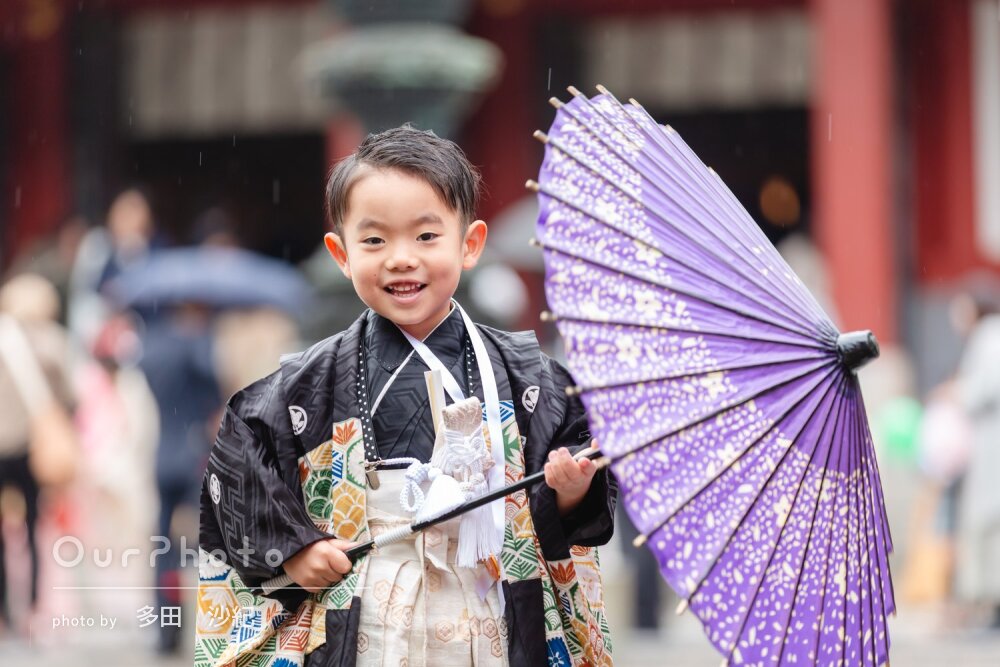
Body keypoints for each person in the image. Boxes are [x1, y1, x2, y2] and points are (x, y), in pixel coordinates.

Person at [198, 126, 617, 666]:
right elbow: (238, 463)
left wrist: (569, 490)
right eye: (374, 241)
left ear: (469, 245)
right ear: (340, 253)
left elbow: (571, 494)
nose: (400, 258)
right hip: (369, 608)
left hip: (489, 609)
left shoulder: (528, 377)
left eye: (426, 237)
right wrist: (296, 549)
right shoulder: (310, 381)